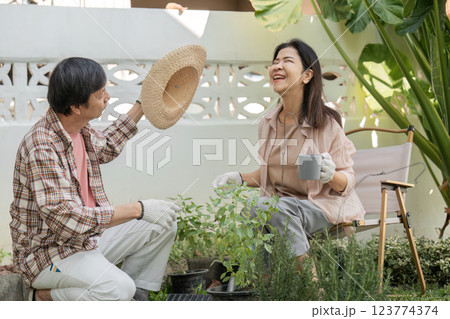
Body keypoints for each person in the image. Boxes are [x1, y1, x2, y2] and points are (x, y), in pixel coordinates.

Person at [9, 57, 180, 301]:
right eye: (101, 94)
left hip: (87, 241)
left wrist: (142, 104)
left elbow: (108, 145)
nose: (108, 97)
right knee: (117, 288)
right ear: (77, 106)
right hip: (50, 256)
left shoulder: (79, 129)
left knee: (163, 222)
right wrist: (137, 209)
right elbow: (66, 219)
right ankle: (43, 297)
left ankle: (135, 296)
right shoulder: (42, 147)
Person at [212, 39, 364, 267]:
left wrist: (330, 174)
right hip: (282, 207)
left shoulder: (326, 122)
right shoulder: (268, 122)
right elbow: (269, 174)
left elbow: (347, 182)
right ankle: (266, 289)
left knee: (267, 208)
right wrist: (239, 178)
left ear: (307, 75)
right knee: (253, 212)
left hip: (320, 206)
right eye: (275, 62)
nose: (277, 66)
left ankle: (311, 287)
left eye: (287, 61)